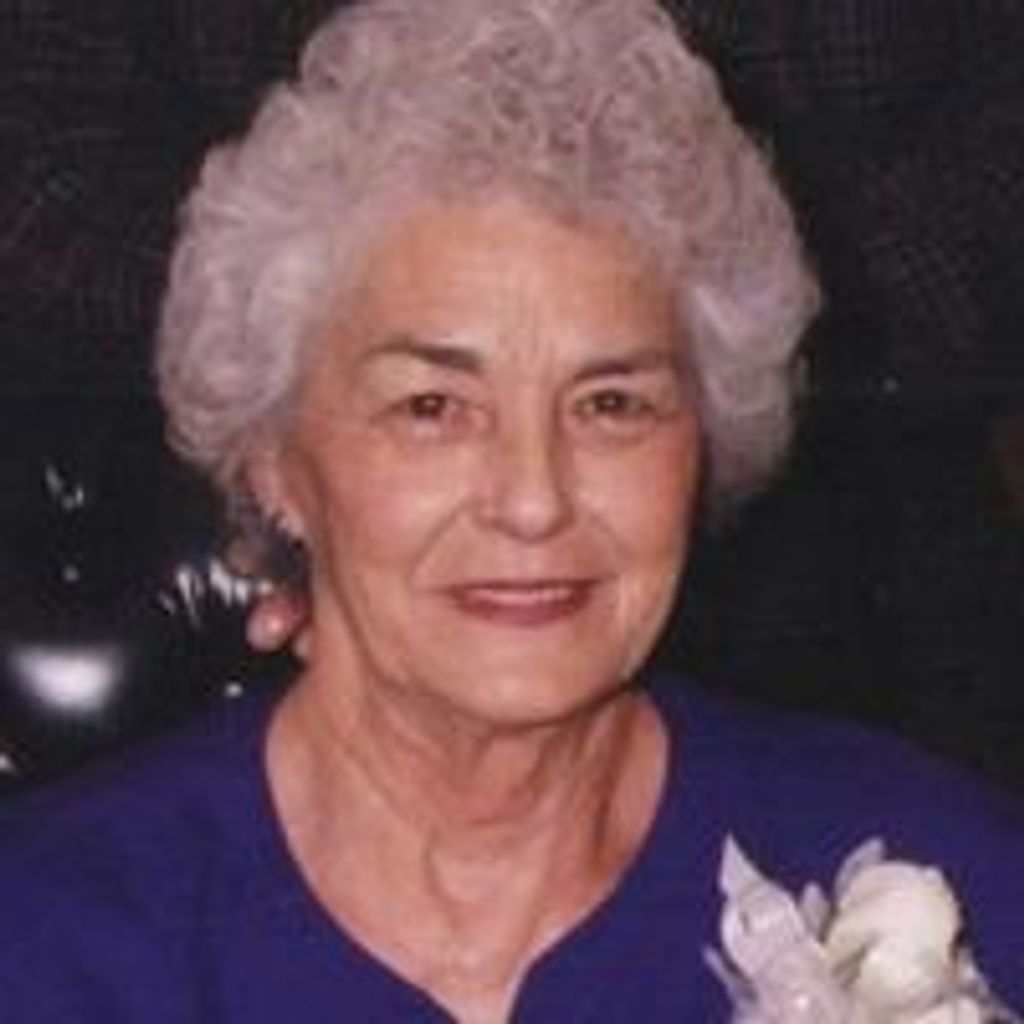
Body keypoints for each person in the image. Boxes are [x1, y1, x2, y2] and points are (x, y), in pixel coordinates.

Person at [1, 2, 1022, 1020]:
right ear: (275, 464)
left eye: (612, 404)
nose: (534, 500)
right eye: (431, 408)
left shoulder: (950, 874)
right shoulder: (46, 936)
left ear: (705, 441)